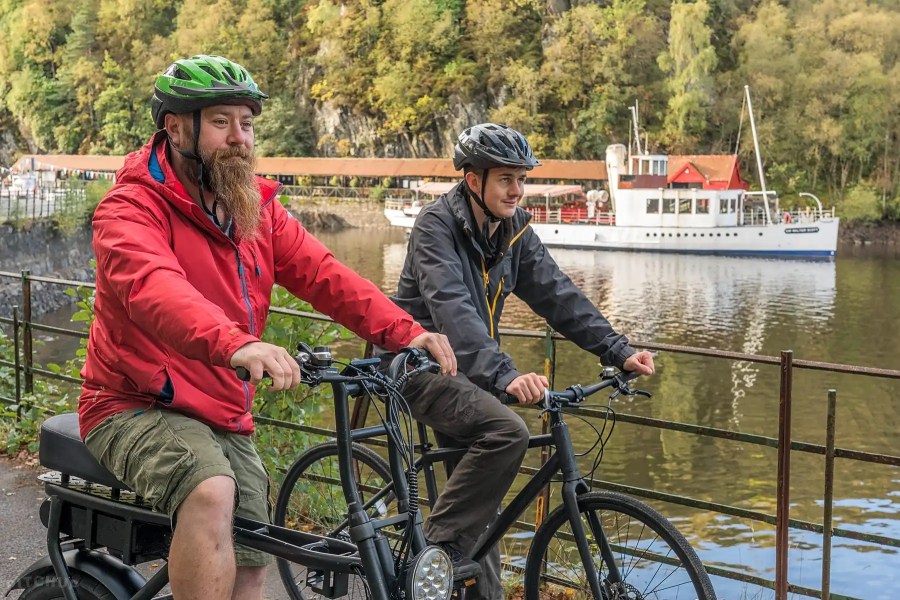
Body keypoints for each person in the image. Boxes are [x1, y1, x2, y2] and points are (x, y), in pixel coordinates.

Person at [77, 54, 456, 600]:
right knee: (210, 490)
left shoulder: (253, 209)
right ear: (176, 127)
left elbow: (325, 276)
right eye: (220, 122)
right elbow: (156, 289)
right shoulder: (130, 210)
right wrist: (238, 342)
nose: (238, 138)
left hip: (222, 409)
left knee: (256, 544)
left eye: (247, 123)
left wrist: (405, 331)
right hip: (131, 402)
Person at [388, 123, 655, 599]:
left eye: (521, 178)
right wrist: (506, 375)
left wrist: (618, 350)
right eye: (506, 179)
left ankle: (469, 581)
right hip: (421, 368)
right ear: (474, 181)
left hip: (470, 372)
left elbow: (558, 293)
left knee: (482, 510)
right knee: (507, 431)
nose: (517, 189)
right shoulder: (435, 226)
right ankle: (431, 555)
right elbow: (453, 311)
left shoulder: (513, 231)